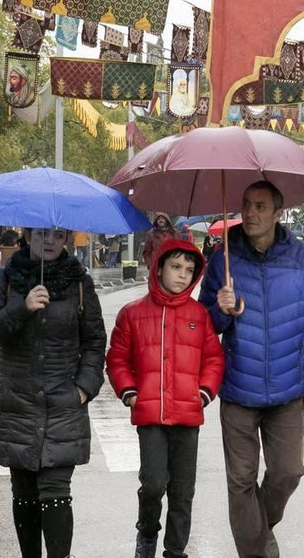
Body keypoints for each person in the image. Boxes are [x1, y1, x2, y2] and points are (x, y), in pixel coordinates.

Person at [199, 180, 304, 558]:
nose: (250, 213)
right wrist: (221, 311)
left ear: (278, 212)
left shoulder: (303, 257)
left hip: (288, 388)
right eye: (245, 205)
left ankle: (257, 528)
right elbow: (202, 325)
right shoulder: (224, 258)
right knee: (240, 480)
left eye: (260, 206)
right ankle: (259, 552)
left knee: (289, 472)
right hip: (239, 387)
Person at [0, 227, 106, 558]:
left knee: (56, 491)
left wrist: (84, 388)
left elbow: (94, 341)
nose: (50, 241)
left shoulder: (79, 282)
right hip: (18, 402)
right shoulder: (6, 278)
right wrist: (22, 306)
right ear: (28, 235)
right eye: (43, 234)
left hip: (64, 403)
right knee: (24, 493)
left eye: (59, 236)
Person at [107, 238, 225, 558]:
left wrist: (203, 392)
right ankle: (147, 533)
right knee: (155, 484)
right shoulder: (133, 314)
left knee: (183, 491)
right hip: (150, 416)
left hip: (187, 416)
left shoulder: (199, 315)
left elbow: (214, 359)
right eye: (175, 267)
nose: (182, 275)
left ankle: (175, 550)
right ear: (159, 268)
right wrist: (129, 392)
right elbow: (117, 359)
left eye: (189, 269)